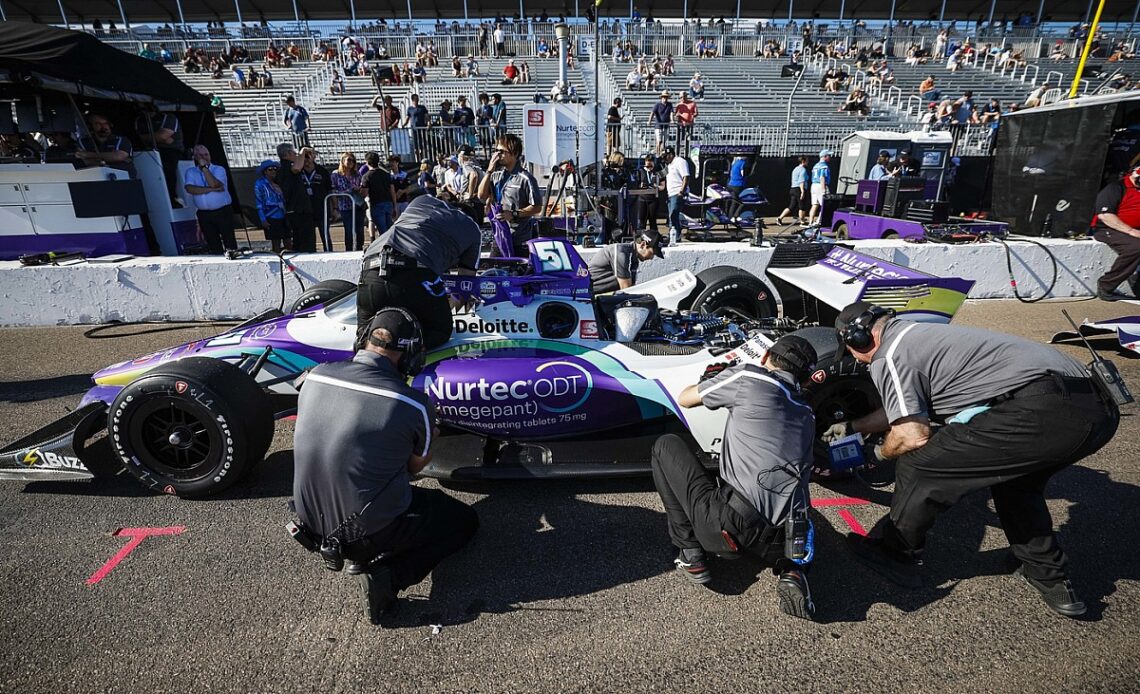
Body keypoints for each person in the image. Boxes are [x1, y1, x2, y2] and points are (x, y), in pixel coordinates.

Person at [831, 302, 1119, 617]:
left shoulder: (888, 355)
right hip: (1098, 410)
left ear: (860, 339)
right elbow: (903, 405)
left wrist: (875, 454)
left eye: (852, 352)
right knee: (1015, 483)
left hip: (1042, 410)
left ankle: (896, 555)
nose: (856, 360)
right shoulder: (919, 335)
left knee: (919, 465)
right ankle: (1048, 575)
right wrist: (853, 428)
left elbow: (912, 433)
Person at [292, 307, 478, 625]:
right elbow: (416, 467)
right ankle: (388, 578)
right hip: (363, 530)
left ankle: (359, 550)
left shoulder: (315, 375)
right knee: (463, 521)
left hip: (306, 521)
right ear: (408, 357)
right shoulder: (413, 404)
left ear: (363, 340)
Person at [650, 335, 820, 620]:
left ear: (765, 357)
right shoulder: (807, 413)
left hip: (729, 525)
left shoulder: (747, 376)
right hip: (784, 538)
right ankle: (793, 571)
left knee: (666, 445)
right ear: (804, 379)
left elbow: (686, 398)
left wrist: (712, 379)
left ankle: (690, 551)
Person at [357, 195, 481, 349]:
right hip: (414, 270)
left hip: (371, 265)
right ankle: (405, 359)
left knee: (364, 335)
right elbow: (465, 285)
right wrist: (453, 304)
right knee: (440, 331)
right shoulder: (474, 229)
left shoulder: (422, 199)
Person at [477, 133, 542, 256]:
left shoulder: (526, 178)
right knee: (493, 273)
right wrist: (489, 171)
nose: (497, 155)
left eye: (502, 151)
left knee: (518, 274)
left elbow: (537, 207)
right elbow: (481, 196)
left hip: (519, 239)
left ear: (515, 153)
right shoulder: (496, 175)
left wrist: (513, 214)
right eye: (496, 151)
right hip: (499, 236)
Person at [1091, 165, 1140, 301]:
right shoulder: (1116, 188)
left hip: (1135, 229)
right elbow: (1105, 215)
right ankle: (1106, 284)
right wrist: (1131, 231)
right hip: (1109, 228)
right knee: (1135, 247)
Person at [183, 145, 236, 254]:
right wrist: (210, 189)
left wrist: (205, 169)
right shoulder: (191, 172)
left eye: (206, 154)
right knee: (213, 243)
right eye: (201, 155)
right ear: (195, 157)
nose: (204, 157)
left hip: (222, 211)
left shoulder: (218, 169)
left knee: (229, 241)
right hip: (204, 214)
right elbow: (190, 188)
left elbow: (215, 184)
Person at [587, 230, 664, 294]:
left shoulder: (633, 258)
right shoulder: (621, 253)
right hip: (587, 297)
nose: (651, 258)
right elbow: (627, 291)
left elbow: (632, 289)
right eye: (652, 253)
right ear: (643, 245)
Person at [276, 142, 317, 252]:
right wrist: (303, 151)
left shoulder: (283, 168)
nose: (296, 155)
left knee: (301, 239)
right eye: (294, 153)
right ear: (288, 153)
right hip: (297, 209)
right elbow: (297, 168)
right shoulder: (286, 166)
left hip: (298, 208)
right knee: (304, 239)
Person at [331, 152, 368, 252]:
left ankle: (359, 249)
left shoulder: (357, 175)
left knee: (360, 230)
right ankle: (349, 250)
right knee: (348, 230)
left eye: (353, 160)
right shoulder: (336, 175)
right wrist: (336, 207)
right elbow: (333, 190)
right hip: (345, 207)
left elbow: (363, 189)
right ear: (343, 161)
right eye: (349, 160)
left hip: (358, 206)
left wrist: (358, 189)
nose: (351, 162)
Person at [254, 159, 291, 252]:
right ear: (265, 171)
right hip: (271, 215)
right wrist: (263, 219)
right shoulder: (260, 184)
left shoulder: (279, 182)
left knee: (288, 239)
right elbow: (259, 202)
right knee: (276, 242)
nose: (273, 171)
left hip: (283, 214)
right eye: (270, 169)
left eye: (275, 169)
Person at [362, 151, 398, 237]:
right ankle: (391, 245)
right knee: (389, 227)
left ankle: (386, 247)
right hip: (388, 203)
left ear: (367, 162)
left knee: (382, 231)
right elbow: (392, 190)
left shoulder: (367, 176)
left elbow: (364, 193)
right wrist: (395, 205)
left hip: (376, 204)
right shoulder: (386, 174)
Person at [663, 146, 689, 245]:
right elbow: (661, 175)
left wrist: (681, 192)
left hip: (677, 192)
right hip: (671, 193)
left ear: (671, 155)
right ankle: (672, 235)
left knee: (673, 214)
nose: (665, 158)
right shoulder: (669, 165)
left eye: (666, 156)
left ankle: (676, 236)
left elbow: (686, 176)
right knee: (671, 216)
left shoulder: (680, 161)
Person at [633, 155, 664, 232]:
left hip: (653, 199)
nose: (649, 167)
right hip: (642, 199)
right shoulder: (640, 171)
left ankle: (654, 237)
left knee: (653, 221)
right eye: (647, 165)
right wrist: (640, 185)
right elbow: (635, 185)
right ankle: (641, 238)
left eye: (651, 166)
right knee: (641, 222)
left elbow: (663, 187)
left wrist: (656, 186)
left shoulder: (658, 171)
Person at [776, 156, 809, 226]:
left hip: (793, 189)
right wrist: (802, 191)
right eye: (806, 161)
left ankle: (780, 218)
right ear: (803, 161)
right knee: (802, 206)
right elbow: (801, 181)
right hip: (799, 189)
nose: (807, 162)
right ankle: (802, 222)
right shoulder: (803, 170)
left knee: (791, 206)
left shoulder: (795, 169)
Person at [402, 93, 430, 160]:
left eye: (417, 100)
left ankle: (424, 158)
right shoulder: (410, 109)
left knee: (423, 144)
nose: (417, 101)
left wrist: (429, 123)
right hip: (414, 129)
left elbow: (427, 116)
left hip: (422, 128)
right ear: (412, 100)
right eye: (415, 100)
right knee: (416, 146)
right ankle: (417, 160)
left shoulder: (422, 108)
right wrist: (404, 125)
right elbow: (408, 118)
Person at [807, 150, 831, 226]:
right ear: (824, 157)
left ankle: (810, 222)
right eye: (828, 156)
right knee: (825, 205)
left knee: (814, 204)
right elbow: (822, 177)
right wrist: (823, 190)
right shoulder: (824, 166)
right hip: (820, 185)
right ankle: (818, 221)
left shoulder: (815, 166)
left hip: (813, 185)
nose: (830, 157)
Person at [649, 91, 674, 155]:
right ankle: (658, 154)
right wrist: (649, 121)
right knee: (659, 141)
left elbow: (671, 113)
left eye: (666, 97)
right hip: (658, 125)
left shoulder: (669, 104)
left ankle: (662, 154)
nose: (665, 98)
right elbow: (652, 113)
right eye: (664, 97)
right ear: (661, 97)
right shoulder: (657, 104)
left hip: (666, 125)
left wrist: (672, 120)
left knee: (664, 141)